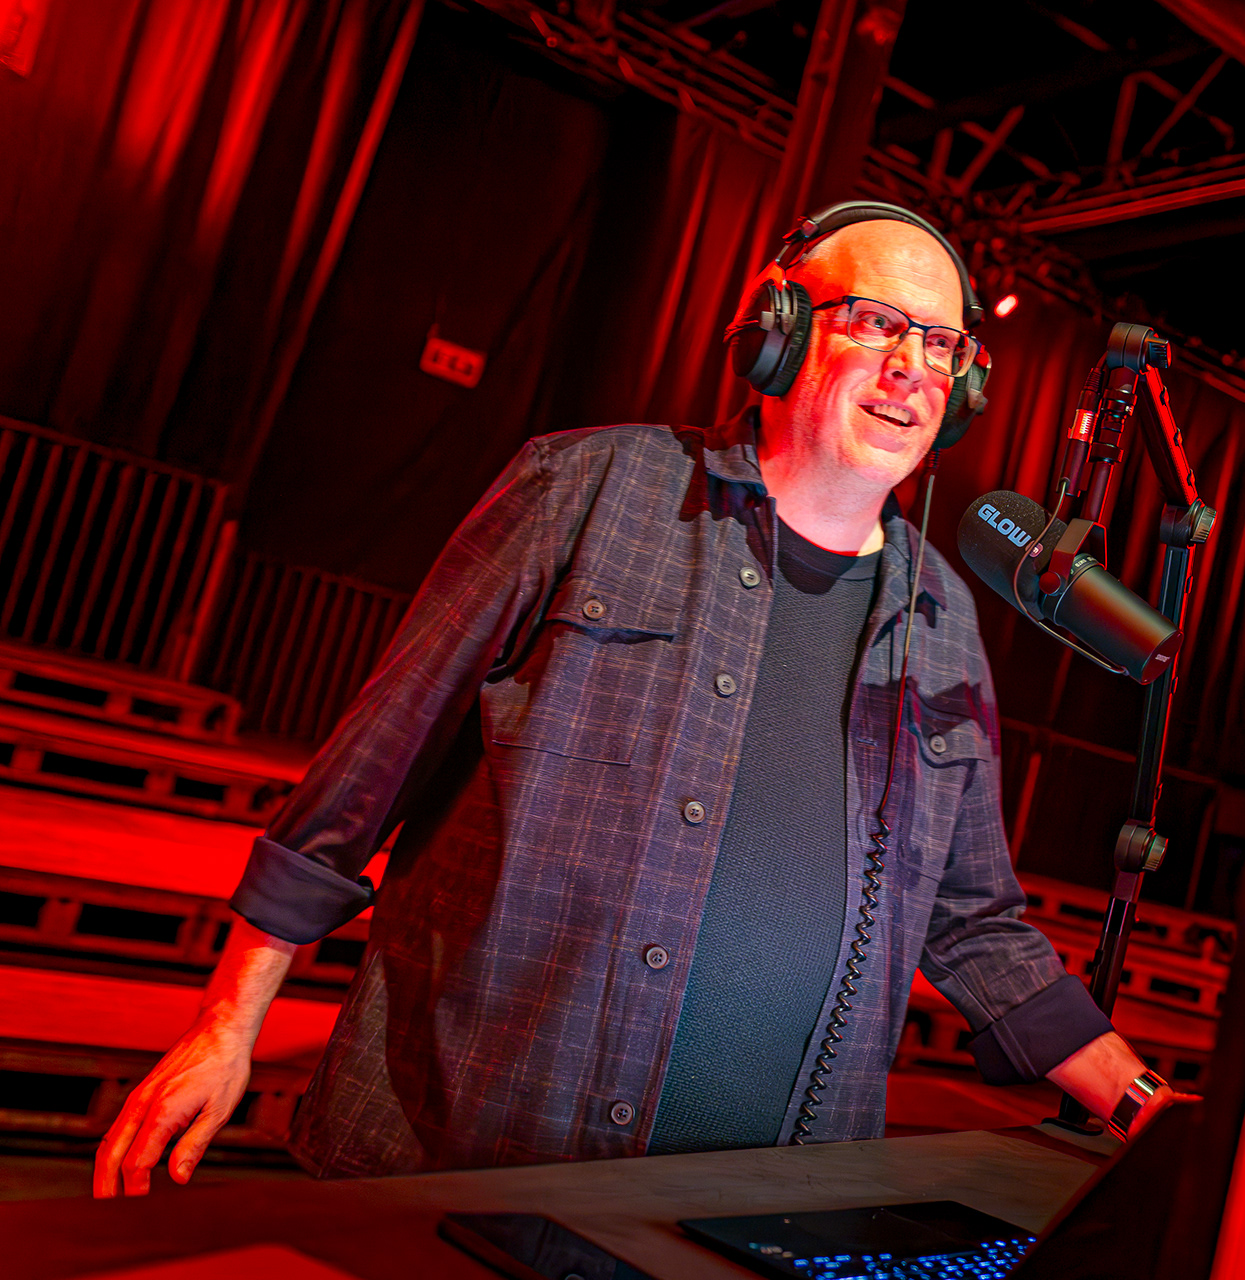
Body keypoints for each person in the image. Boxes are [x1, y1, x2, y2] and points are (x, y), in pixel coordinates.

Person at [93, 203, 1177, 1197]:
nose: (911, 369)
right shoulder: (587, 489)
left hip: (759, 1210)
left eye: (941, 345)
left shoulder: (941, 618)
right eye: (877, 323)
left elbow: (976, 921)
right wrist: (227, 1023)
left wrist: (1148, 1110)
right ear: (777, 334)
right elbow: (369, 770)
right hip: (468, 1160)